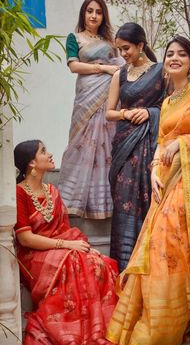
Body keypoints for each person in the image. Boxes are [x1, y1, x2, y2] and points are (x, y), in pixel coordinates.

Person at [106, 36, 190, 345]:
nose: (174, 58)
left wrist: (182, 143)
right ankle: (158, 316)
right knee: (157, 250)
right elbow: (160, 143)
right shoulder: (167, 101)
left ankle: (173, 320)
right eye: (169, 54)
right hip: (164, 184)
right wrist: (152, 173)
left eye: (181, 54)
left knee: (172, 251)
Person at [14, 140, 118, 345]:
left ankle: (93, 329)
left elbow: (65, 230)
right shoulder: (19, 193)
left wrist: (83, 247)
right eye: (44, 151)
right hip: (34, 254)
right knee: (74, 262)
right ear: (31, 163)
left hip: (59, 247)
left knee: (98, 263)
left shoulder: (52, 190)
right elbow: (25, 238)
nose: (50, 154)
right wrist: (67, 246)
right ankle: (68, 331)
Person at [106, 22, 165, 272]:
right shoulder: (119, 74)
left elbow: (171, 109)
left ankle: (147, 271)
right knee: (122, 202)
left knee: (147, 202)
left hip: (150, 146)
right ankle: (124, 270)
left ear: (141, 45)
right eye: (120, 50)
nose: (123, 54)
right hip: (124, 146)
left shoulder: (162, 72)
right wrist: (128, 115)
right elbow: (109, 113)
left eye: (126, 48)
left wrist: (150, 113)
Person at [58, 0, 123, 219]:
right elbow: (74, 66)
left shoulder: (110, 42)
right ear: (83, 14)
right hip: (86, 96)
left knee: (106, 144)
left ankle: (103, 204)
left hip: (108, 97)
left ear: (103, 15)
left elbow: (121, 66)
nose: (93, 16)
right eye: (89, 11)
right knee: (81, 142)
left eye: (98, 12)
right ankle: (72, 200)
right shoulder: (74, 38)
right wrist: (103, 69)